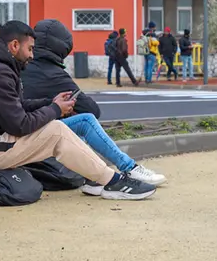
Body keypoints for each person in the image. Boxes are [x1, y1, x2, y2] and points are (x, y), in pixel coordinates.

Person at [0, 21, 157, 200]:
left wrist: (49, 102)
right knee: (55, 131)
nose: (32, 55)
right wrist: (55, 109)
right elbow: (19, 124)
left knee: (60, 127)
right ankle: (113, 182)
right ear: (15, 45)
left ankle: (105, 178)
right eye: (30, 49)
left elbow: (18, 107)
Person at [20, 19, 166, 188]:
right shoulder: (53, 74)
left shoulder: (22, 65)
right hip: (31, 133)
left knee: (74, 123)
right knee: (85, 121)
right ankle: (128, 168)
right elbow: (92, 109)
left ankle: (93, 178)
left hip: (18, 132)